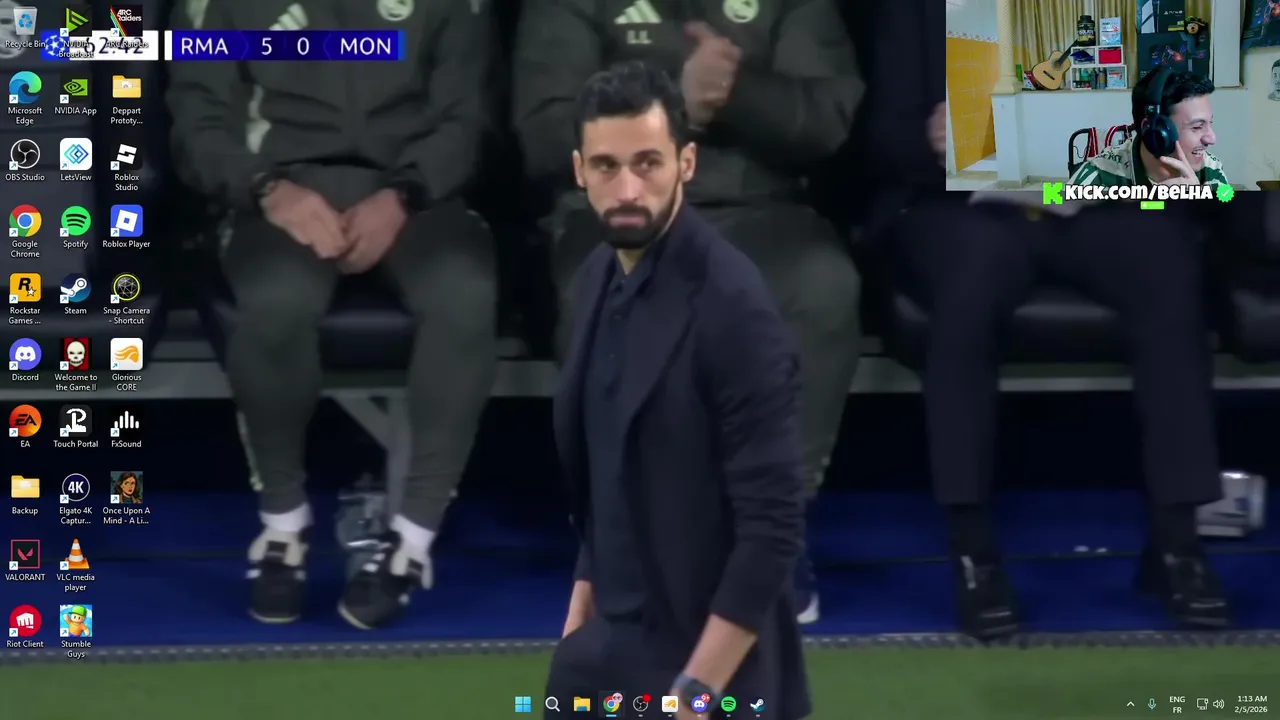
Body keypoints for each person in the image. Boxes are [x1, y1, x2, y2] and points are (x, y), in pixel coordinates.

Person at [514, 0, 863, 624]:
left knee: (824, 283)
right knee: (605, 287)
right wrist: (671, 106)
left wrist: (737, 92)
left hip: (761, 210)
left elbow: (829, 120)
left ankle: (773, 531)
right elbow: (543, 131)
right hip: (619, 215)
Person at [166, 0, 497, 629]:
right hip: (277, 195)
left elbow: (466, 117)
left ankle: (412, 540)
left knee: (464, 292)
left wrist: (405, 194)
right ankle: (283, 525)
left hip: (417, 195)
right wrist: (267, 190)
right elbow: (197, 123)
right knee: (276, 301)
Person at [889, 76, 1230, 638]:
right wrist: (927, 139)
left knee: (1169, 270)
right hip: (962, 207)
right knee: (969, 285)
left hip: (1102, 199)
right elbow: (871, 137)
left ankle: (1178, 544)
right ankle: (973, 550)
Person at [545, 62, 808, 720]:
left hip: (709, 668)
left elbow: (773, 529)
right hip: (608, 647)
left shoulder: (733, 306)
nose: (627, 188)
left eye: (648, 163)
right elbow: (608, 456)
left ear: (686, 163)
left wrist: (694, 693)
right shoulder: (596, 278)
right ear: (579, 172)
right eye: (606, 167)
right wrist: (584, 592)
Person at [1069, 69, 1227, 189]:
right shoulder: (1098, 178)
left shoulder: (1211, 171)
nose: (1212, 138)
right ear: (1154, 132)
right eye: (1197, 127)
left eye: (1210, 123)